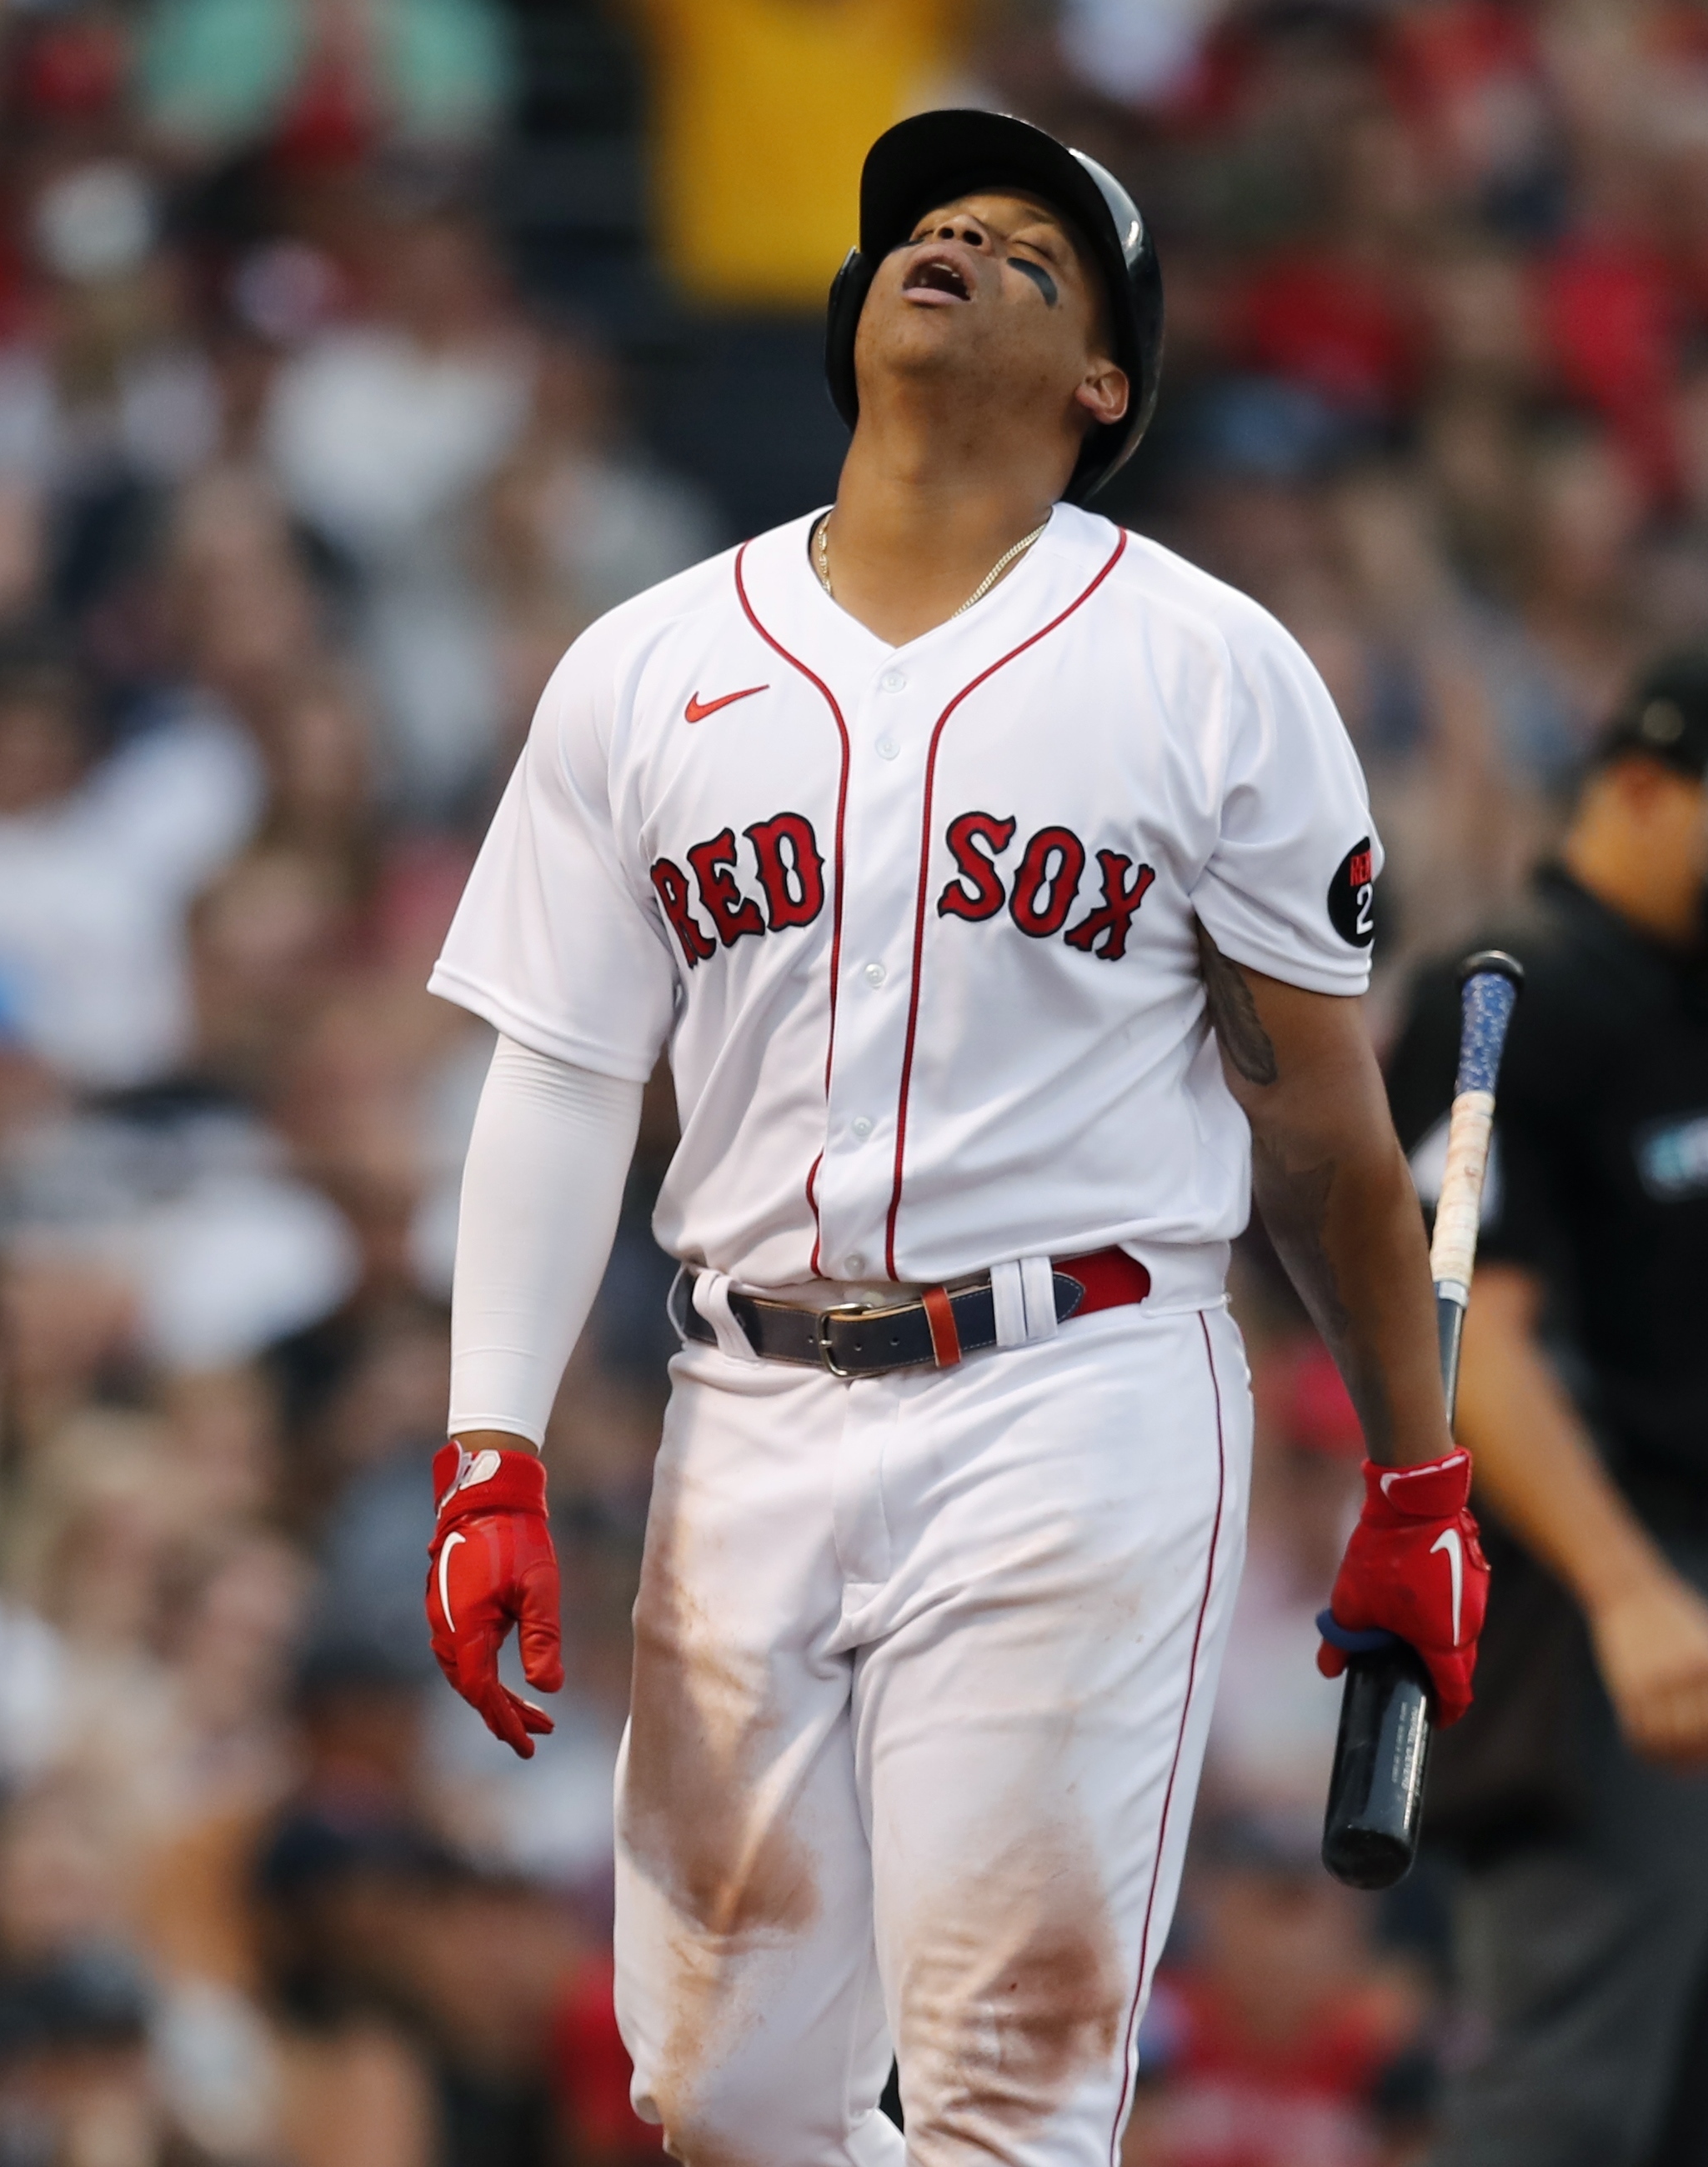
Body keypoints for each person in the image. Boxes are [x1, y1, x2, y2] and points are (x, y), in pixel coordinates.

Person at [411, 112, 1489, 2166]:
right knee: (714, 2095)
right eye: (936, 223)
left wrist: (1414, 1463)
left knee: (1006, 2078)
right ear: (849, 314)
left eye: (1033, 252)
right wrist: (494, 1441)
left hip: (1073, 1391)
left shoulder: (1207, 668)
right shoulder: (645, 663)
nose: (965, 244)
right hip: (743, 1401)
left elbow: (1322, 1129)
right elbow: (558, 1070)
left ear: (1104, 384)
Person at [1385, 642, 1708, 2166]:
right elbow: (1462, 1330)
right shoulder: (1508, 998)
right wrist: (1629, 1591)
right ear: (1637, 786)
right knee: (1563, 2106)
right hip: (1587, 1597)